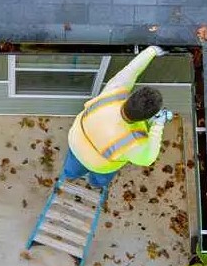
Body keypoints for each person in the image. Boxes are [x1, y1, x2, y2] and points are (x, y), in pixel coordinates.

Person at [63, 45, 172, 189]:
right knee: (101, 178)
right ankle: (95, 184)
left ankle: (70, 175)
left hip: (76, 142)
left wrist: (150, 51)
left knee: (72, 167)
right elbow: (148, 158)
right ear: (146, 119)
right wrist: (158, 125)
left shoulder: (114, 94)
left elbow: (130, 71)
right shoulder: (134, 142)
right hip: (100, 165)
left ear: (130, 96)